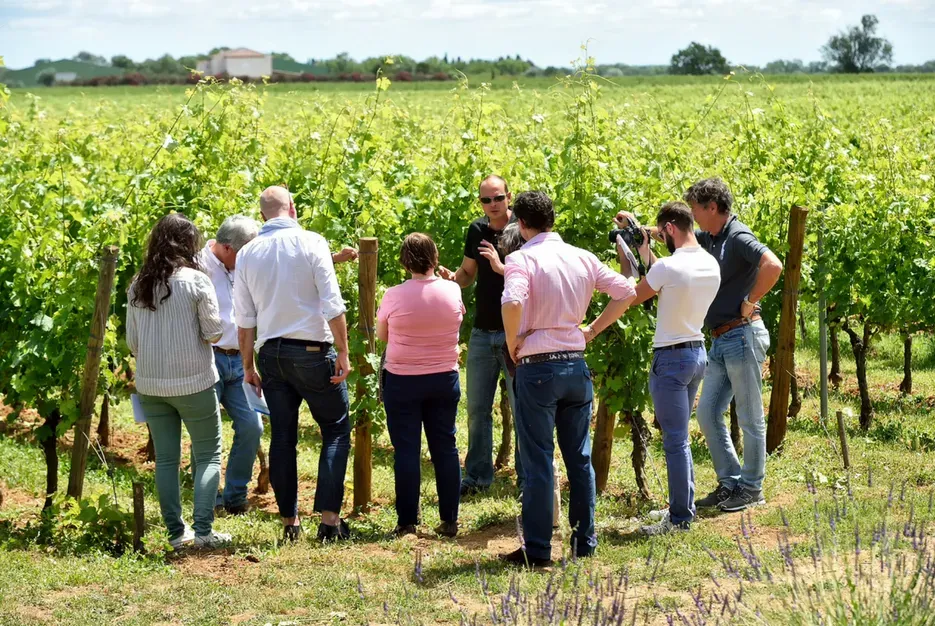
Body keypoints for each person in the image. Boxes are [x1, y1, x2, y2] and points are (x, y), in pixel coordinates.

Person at [499, 191, 637, 567]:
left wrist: (513, 343)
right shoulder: (583, 257)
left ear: (521, 223)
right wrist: (592, 328)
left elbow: (512, 302)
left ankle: (539, 549)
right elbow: (627, 289)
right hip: (576, 365)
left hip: (538, 366)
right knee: (579, 458)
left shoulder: (520, 258)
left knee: (539, 460)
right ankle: (583, 543)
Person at [234, 186, 352, 542]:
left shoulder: (247, 253)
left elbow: (244, 319)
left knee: (282, 437)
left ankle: (290, 524)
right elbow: (332, 303)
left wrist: (248, 366)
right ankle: (330, 522)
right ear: (293, 209)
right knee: (334, 428)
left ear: (263, 215)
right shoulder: (312, 242)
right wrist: (343, 351)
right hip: (313, 353)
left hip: (271, 355)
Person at [126, 213, 230, 550]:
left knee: (167, 460)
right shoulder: (196, 282)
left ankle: (175, 534)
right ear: (189, 245)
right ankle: (203, 532)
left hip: (151, 386)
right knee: (209, 455)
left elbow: (133, 343)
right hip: (194, 382)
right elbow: (214, 333)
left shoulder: (138, 283)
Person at [617, 202, 721, 535]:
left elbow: (633, 295)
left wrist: (626, 258)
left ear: (671, 229)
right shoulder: (709, 263)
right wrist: (647, 251)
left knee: (675, 441)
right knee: (680, 439)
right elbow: (668, 279)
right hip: (696, 354)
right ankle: (681, 509)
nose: (661, 240)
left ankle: (679, 518)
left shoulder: (668, 268)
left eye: (662, 235)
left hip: (671, 358)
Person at [685, 178, 783, 513]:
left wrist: (750, 300)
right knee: (708, 412)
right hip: (722, 339)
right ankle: (730, 483)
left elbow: (773, 265)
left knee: (750, 416)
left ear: (712, 207)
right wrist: (642, 230)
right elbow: (678, 235)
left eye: (697, 210)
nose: (695, 217)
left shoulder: (738, 236)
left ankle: (752, 488)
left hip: (742, 334)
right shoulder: (710, 237)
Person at [376, 233, 465, 538]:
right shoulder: (453, 290)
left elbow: (383, 336)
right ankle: (450, 519)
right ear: (435, 256)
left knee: (406, 450)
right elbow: (457, 322)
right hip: (444, 378)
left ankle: (407, 523)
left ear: (404, 260)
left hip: (402, 381)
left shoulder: (393, 295)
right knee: (445, 447)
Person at [438, 175, 521, 496]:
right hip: (484, 331)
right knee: (477, 409)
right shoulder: (477, 230)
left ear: (509, 197)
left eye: (498, 198)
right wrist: (450, 278)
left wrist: (502, 264)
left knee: (523, 407)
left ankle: (527, 479)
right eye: (486, 201)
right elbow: (467, 274)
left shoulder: (522, 231)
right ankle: (477, 477)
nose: (493, 205)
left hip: (518, 332)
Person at [196, 215, 263, 516]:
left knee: (252, 427)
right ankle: (209, 498)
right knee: (209, 435)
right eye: (243, 254)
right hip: (207, 357)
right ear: (225, 247)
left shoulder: (242, 262)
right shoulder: (196, 266)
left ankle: (235, 495)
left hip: (239, 359)